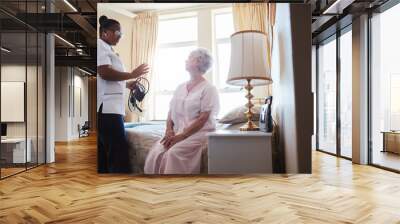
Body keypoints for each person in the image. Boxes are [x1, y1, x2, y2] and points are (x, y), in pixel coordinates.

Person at [144, 48, 220, 174]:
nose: (186, 60)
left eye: (190, 58)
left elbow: (203, 119)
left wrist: (182, 136)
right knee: (156, 152)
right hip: (178, 131)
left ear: (199, 62)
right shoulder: (180, 87)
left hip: (199, 132)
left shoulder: (209, 89)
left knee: (173, 153)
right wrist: (169, 130)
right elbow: (171, 111)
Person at [97, 15, 149, 173]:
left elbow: (107, 78)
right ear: (105, 32)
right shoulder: (100, 45)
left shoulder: (108, 49)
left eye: (121, 34)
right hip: (108, 109)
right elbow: (105, 73)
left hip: (111, 108)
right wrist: (132, 74)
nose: (120, 37)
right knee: (118, 151)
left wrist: (127, 84)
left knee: (106, 152)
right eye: (118, 33)